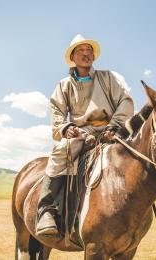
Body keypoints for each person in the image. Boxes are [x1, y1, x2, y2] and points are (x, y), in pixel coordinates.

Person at [36, 34, 134, 236]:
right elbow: (56, 111)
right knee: (62, 150)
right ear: (73, 56)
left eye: (89, 50)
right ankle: (46, 209)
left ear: (94, 56)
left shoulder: (109, 78)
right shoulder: (63, 85)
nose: (86, 53)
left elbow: (125, 101)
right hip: (81, 133)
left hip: (111, 130)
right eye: (80, 50)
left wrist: (115, 126)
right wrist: (65, 127)